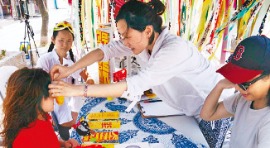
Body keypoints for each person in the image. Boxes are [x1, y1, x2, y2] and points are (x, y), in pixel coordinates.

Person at [49, 0, 233, 146]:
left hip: (213, 108)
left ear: (147, 30)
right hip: (187, 108)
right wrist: (70, 69)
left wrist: (76, 90)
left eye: (127, 36)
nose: (124, 42)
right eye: (122, 36)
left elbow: (133, 85)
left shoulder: (173, 49)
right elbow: (105, 51)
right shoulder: (142, 42)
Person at [200, 35, 270, 147]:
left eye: (245, 82)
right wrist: (220, 86)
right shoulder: (243, 100)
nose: (237, 88)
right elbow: (207, 115)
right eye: (235, 79)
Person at [36, 20, 93, 140]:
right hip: (55, 108)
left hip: (74, 106)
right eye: (61, 40)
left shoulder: (74, 59)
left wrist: (89, 79)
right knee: (74, 134)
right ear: (53, 40)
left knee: (88, 129)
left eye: (69, 41)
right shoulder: (45, 60)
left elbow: (85, 75)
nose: (64, 44)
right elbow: (40, 86)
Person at [0, 67, 79, 148]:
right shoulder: (25, 137)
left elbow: (48, 141)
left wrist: (63, 143)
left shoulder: (42, 116)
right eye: (49, 92)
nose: (54, 95)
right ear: (34, 99)